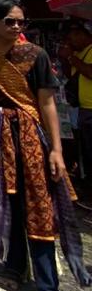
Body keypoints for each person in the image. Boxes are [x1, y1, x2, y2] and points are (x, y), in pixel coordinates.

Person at [0, 0, 90, 291]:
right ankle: (15, 267)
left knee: (40, 208)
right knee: (10, 203)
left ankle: (49, 289)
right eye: (10, 21)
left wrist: (57, 150)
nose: (17, 27)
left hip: (32, 136)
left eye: (21, 21)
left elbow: (47, 103)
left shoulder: (37, 55)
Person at [58, 20, 92, 180]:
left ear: (82, 35)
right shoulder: (79, 52)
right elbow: (71, 75)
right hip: (82, 109)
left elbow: (90, 72)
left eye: (71, 38)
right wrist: (65, 59)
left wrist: (71, 57)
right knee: (86, 150)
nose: (69, 42)